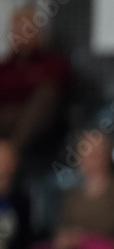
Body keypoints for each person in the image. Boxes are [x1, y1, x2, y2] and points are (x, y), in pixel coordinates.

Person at [0, 6, 71, 152]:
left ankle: (12, 151)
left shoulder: (54, 64)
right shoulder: (4, 67)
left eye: (26, 29)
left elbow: (47, 103)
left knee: (47, 94)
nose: (21, 34)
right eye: (17, 30)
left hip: (40, 133)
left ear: (38, 33)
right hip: (4, 126)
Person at [0, 139, 35, 249]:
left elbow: (24, 243)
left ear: (14, 164)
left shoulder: (22, 201)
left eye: (6, 160)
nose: (2, 166)